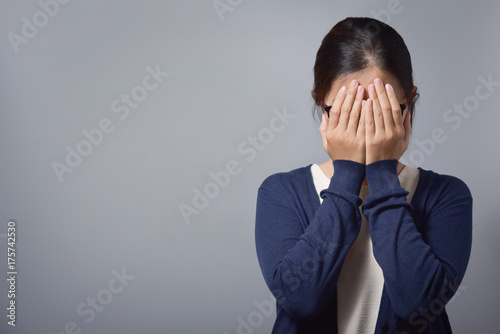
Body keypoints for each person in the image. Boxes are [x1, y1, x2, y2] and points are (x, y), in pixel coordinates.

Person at [254, 17, 473, 334]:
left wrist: (383, 173)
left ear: (407, 106)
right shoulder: (280, 192)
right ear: (322, 105)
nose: (366, 130)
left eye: (381, 112)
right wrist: (347, 174)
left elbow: (420, 306)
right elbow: (300, 300)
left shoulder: (446, 195)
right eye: (348, 113)